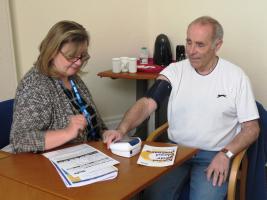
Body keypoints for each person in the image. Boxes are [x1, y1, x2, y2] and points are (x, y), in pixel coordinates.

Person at [103, 16, 260, 199]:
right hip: (176, 152)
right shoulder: (175, 71)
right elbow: (147, 102)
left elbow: (252, 128)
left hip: (214, 154)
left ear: (217, 46)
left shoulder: (235, 77)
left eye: (200, 45)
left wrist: (226, 154)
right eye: (189, 42)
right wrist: (121, 129)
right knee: (150, 195)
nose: (191, 51)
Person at [10, 20, 107, 153]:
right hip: (52, 166)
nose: (78, 62)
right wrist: (67, 132)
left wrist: (105, 133)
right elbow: (19, 140)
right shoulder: (36, 85)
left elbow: (93, 120)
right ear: (52, 52)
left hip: (90, 155)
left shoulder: (73, 78)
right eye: (71, 56)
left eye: (82, 56)